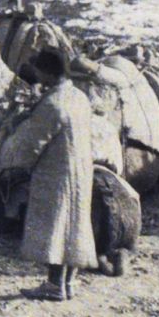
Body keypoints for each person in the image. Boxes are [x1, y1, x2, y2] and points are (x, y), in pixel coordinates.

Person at [16, 47, 99, 300]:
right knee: (76, 223)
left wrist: (19, 166)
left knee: (56, 224)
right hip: (81, 170)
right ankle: (69, 283)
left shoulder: (52, 104)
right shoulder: (79, 97)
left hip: (57, 172)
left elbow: (34, 143)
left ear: (47, 73)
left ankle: (53, 284)